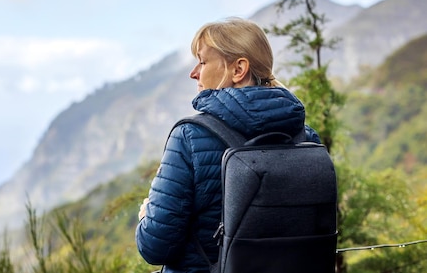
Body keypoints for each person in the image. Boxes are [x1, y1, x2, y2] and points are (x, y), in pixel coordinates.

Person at [135, 17, 320, 273]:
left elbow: (156, 247)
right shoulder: (306, 137)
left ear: (238, 70)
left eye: (202, 61)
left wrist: (146, 216)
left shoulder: (189, 137)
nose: (194, 73)